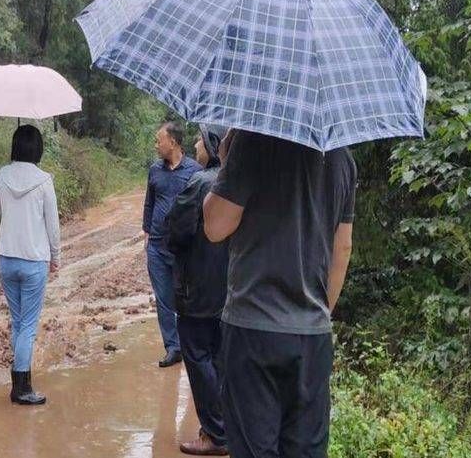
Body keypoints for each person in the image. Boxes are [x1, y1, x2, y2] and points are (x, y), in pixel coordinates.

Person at [203, 131, 356, 458]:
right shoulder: (342, 156)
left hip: (253, 330)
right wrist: (318, 312)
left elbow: (215, 225)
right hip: (313, 335)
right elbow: (343, 247)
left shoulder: (253, 140)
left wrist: (227, 163)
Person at [167, 126, 231, 456]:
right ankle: (226, 427)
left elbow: (175, 233)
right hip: (231, 291)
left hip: (199, 289)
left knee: (197, 356)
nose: (195, 143)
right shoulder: (240, 183)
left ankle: (215, 435)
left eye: (200, 138)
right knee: (220, 358)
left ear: (213, 144)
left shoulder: (200, 183)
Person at [0, 124, 61, 405]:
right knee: (28, 325)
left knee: (18, 322)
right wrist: (56, 257)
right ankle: (22, 387)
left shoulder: (3, 174)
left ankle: (19, 381)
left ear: (15, 146)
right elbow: (52, 225)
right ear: (38, 149)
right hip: (34, 261)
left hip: (7, 258)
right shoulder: (44, 181)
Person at [143, 121, 203, 367]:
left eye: (160, 140)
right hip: (157, 245)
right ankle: (173, 347)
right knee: (164, 299)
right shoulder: (155, 170)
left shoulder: (195, 171)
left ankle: (191, 345)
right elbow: (149, 202)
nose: (157, 144)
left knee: (186, 298)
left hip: (183, 248)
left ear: (174, 142)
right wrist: (146, 232)